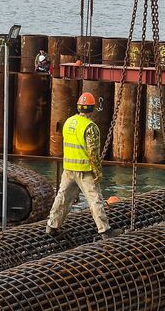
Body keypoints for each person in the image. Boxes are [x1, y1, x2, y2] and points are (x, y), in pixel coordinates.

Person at [46, 92, 116, 239]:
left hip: (68, 169)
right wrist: (98, 171)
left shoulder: (68, 122)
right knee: (95, 199)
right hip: (84, 171)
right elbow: (93, 153)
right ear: (92, 108)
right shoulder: (90, 127)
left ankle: (52, 226)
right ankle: (105, 231)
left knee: (62, 197)